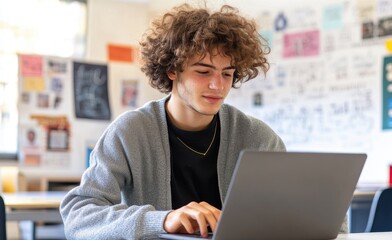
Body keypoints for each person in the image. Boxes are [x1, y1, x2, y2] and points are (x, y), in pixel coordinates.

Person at [60, 4, 347, 239]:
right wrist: (162, 220)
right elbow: (78, 214)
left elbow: (318, 217)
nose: (217, 85)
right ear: (173, 70)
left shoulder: (258, 136)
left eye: (227, 74)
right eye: (203, 71)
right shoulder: (131, 132)